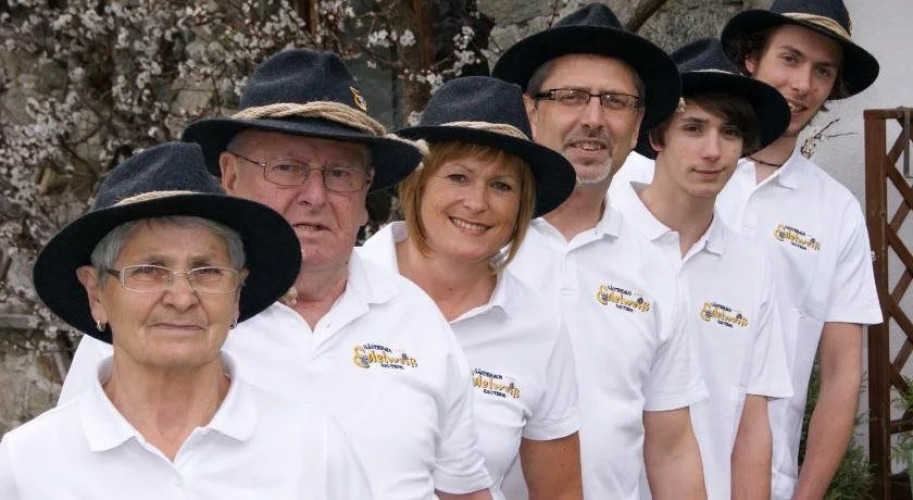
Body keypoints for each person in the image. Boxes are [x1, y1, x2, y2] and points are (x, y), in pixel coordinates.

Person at [59, 50, 494, 500]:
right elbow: (71, 472)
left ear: (366, 192)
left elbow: (463, 491)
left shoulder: (416, 318)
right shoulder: (160, 321)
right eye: (287, 168)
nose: (315, 196)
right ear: (230, 177)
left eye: (339, 173)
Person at [0, 142, 371, 499]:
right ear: (96, 294)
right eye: (149, 270)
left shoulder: (314, 451)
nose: (181, 298)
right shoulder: (29, 464)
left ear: (237, 294)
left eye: (207, 271)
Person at [491, 4, 708, 499]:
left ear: (637, 123)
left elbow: (672, 447)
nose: (593, 119)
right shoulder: (474, 244)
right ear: (530, 111)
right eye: (570, 97)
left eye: (615, 101)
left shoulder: (655, 268)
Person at [358, 76, 581, 500]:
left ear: (522, 205)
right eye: (458, 176)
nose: (477, 203)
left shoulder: (538, 327)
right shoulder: (341, 288)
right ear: (417, 182)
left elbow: (561, 492)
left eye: (501, 185)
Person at [610, 38, 794, 499]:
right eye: (693, 128)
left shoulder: (751, 266)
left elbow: (753, 424)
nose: (713, 151)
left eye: (730, 132)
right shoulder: (601, 239)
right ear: (657, 136)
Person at [717, 2, 882, 497]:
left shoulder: (836, 211)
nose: (803, 84)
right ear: (751, 59)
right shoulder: (663, 175)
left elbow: (841, 376)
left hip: (767, 482)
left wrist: (805, 494)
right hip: (638, 478)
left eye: (822, 71)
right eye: (789, 59)